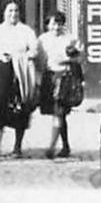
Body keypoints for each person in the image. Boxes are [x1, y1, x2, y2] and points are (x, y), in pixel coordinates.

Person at [0, 0, 38, 159]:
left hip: (20, 72)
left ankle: (17, 147)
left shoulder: (26, 31)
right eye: (10, 11)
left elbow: (34, 50)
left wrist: (21, 56)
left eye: (16, 11)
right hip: (1, 70)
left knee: (20, 107)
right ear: (4, 13)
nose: (13, 14)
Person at [34, 11, 81, 158]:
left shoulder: (70, 39)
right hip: (49, 77)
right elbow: (39, 61)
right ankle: (66, 146)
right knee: (59, 114)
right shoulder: (42, 40)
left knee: (59, 113)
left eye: (59, 23)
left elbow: (79, 58)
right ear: (48, 25)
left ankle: (51, 147)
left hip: (64, 78)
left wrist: (71, 57)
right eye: (53, 23)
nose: (56, 27)